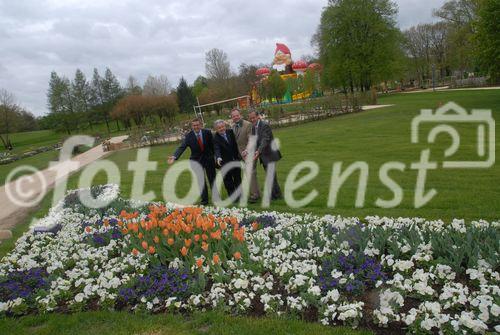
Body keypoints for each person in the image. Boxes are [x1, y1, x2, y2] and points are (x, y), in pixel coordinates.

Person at [168, 118, 216, 205]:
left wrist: (215, 156)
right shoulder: (189, 136)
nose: (196, 127)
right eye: (194, 125)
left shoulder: (207, 133)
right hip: (196, 161)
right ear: (192, 126)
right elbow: (182, 147)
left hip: (209, 159)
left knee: (212, 179)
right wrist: (174, 156)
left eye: (197, 125)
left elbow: (213, 145)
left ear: (200, 125)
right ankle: (204, 200)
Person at [248, 110, 282, 200]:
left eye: (253, 117)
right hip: (263, 156)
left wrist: (258, 151)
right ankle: (277, 195)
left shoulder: (264, 125)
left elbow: (265, 140)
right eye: (250, 118)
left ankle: (273, 196)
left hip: (270, 154)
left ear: (258, 116)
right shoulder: (253, 127)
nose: (252, 119)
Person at [230, 108, 260, 202]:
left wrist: (246, 151)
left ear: (240, 115)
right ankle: (255, 192)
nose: (235, 117)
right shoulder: (233, 126)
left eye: (237, 115)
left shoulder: (248, 125)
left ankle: (255, 195)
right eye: (233, 116)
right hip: (239, 155)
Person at [213, 119, 242, 201]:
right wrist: (218, 157)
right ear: (216, 129)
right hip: (225, 163)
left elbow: (236, 144)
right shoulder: (215, 138)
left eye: (222, 127)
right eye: (219, 128)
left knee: (238, 179)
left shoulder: (230, 132)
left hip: (235, 160)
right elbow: (216, 149)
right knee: (228, 181)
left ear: (225, 126)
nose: (221, 129)